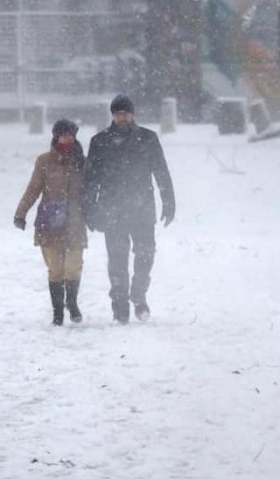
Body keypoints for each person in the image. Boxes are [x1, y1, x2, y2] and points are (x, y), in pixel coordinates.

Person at [83, 94, 175, 324]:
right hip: (111, 209)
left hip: (141, 208)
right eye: (117, 114)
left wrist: (169, 201)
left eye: (125, 113)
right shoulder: (100, 141)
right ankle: (120, 304)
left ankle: (139, 292)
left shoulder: (148, 138)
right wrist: (90, 208)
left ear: (132, 114)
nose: (122, 117)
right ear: (112, 115)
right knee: (117, 259)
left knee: (146, 254)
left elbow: (161, 171)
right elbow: (91, 179)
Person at [14, 118, 87, 326]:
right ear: (56, 136)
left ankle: (71, 303)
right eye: (64, 135)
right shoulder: (44, 161)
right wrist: (21, 213)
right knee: (55, 269)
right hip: (50, 223)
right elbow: (33, 188)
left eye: (71, 135)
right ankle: (58, 311)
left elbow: (91, 192)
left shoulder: (82, 161)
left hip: (75, 221)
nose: (68, 138)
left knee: (73, 267)